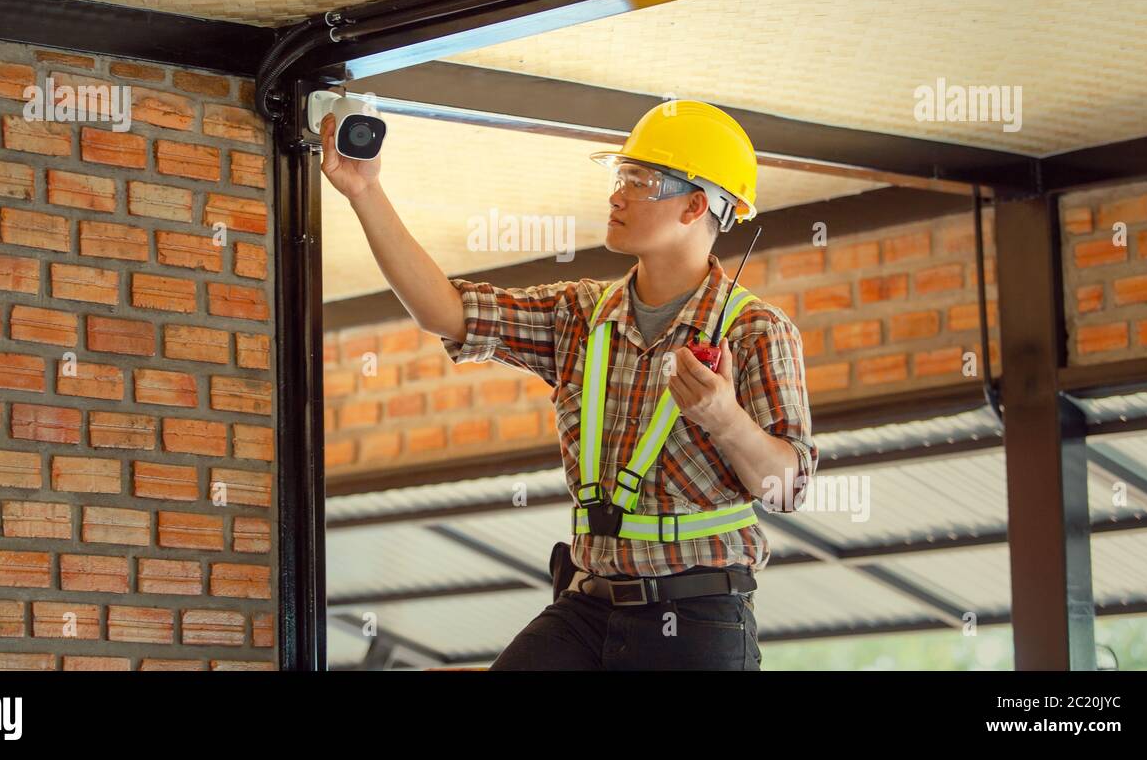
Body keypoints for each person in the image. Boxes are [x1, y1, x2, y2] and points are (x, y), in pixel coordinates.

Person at [321, 99, 816, 670]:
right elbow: (448, 312)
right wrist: (363, 191)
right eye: (619, 175)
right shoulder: (580, 315)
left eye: (639, 180)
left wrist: (726, 418)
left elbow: (786, 489)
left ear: (695, 205)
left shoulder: (756, 331)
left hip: (697, 619)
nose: (616, 193)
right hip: (587, 607)